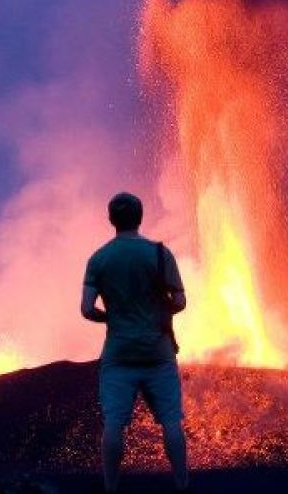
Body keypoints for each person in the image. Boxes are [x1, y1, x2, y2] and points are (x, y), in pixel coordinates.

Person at [81, 192, 188, 492]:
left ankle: (111, 487)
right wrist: (157, 312)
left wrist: (113, 318)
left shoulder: (99, 259)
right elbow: (180, 301)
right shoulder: (159, 253)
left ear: (111, 219)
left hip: (119, 353)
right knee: (170, 421)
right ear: (140, 217)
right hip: (158, 351)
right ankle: (182, 484)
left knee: (114, 423)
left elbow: (87, 309)